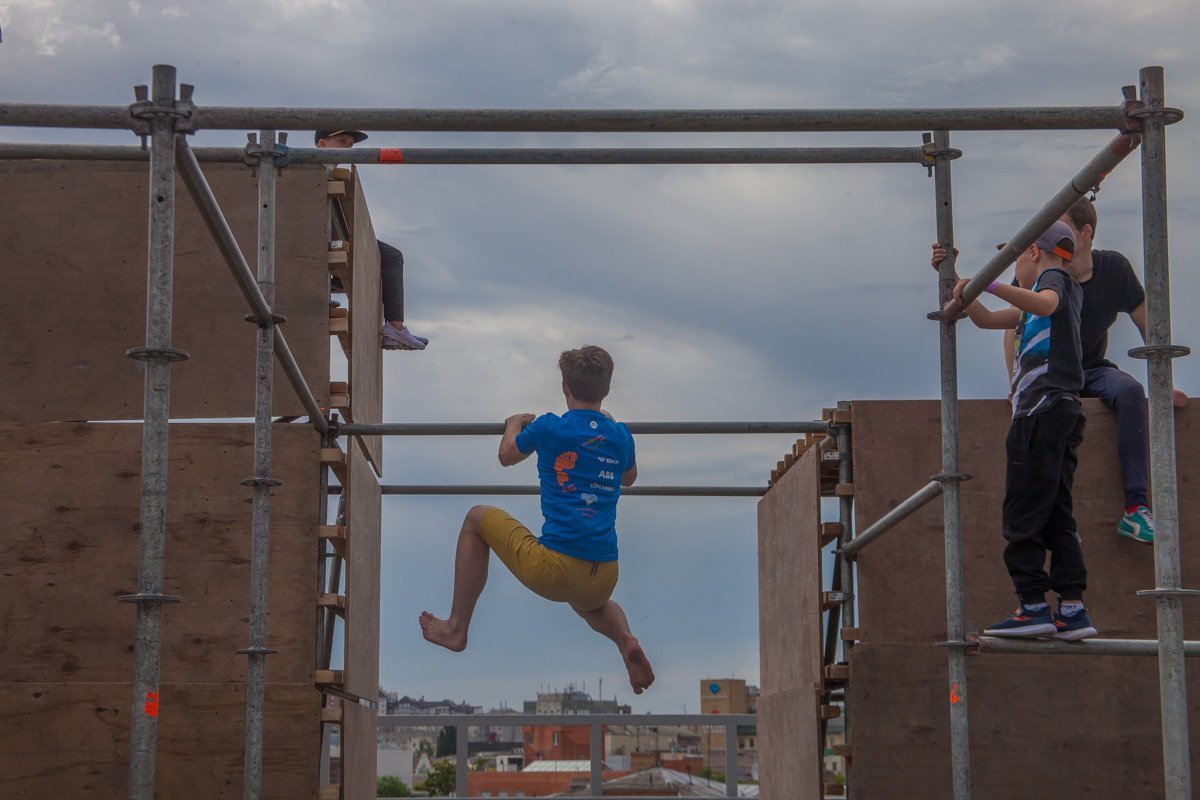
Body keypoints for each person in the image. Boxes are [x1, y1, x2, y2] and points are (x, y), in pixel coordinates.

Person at [418, 345, 656, 693]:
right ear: (606, 390)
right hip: (604, 572)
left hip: (554, 569)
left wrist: (514, 424)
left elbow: (506, 455)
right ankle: (625, 640)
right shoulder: (620, 435)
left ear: (565, 387)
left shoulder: (549, 427)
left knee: (475, 518)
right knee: (591, 604)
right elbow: (629, 477)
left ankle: (456, 627)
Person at [944, 221, 1097, 640]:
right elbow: (986, 320)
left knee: (1021, 513)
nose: (1014, 274)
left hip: (1041, 411)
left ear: (1034, 251)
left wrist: (987, 283)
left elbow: (1043, 303)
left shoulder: (1055, 279)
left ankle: (1032, 605)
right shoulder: (1039, 300)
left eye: (1014, 261)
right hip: (1059, 411)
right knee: (1056, 514)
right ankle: (1071, 606)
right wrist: (960, 284)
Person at [315, 129, 428, 351]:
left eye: (349, 144)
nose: (347, 148)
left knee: (388, 256)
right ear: (322, 143)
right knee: (391, 256)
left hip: (329, 232)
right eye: (341, 141)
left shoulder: (328, 169)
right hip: (313, 235)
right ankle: (395, 326)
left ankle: (395, 326)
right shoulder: (311, 166)